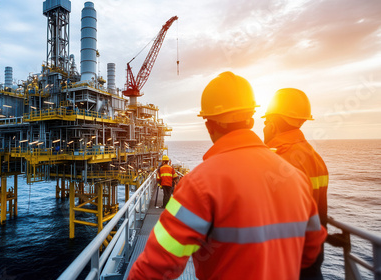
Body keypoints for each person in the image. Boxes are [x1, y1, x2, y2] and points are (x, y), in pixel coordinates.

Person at [128, 72, 327, 280]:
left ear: (208, 125)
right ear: (251, 119)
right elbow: (311, 249)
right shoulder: (297, 178)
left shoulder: (198, 184)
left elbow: (157, 266)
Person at [262, 88, 329, 280]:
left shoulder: (277, 160)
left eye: (266, 122)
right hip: (314, 257)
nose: (264, 127)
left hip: (285, 261)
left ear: (273, 124)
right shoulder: (316, 160)